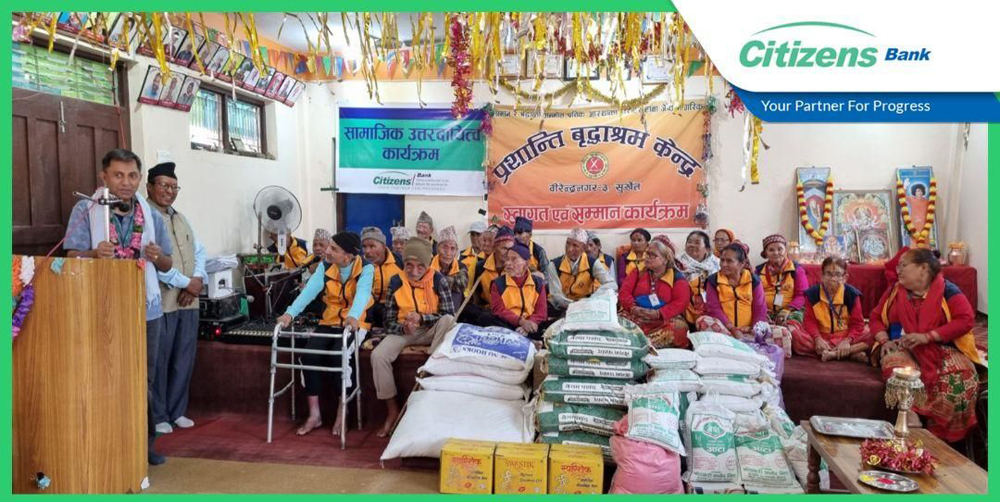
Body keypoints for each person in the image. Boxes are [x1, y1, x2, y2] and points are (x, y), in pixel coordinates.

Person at [63, 148, 175, 465]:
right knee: (103, 377)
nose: (126, 182)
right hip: (101, 309)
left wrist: (157, 257)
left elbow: (168, 264)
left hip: (146, 310)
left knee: (144, 379)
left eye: (132, 176)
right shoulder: (87, 209)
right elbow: (70, 256)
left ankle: (142, 445)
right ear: (104, 176)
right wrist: (93, 254)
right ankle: (105, 445)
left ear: (139, 179)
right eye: (118, 175)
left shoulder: (151, 215)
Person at [869, 248, 984, 443]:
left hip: (943, 347)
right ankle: (910, 416)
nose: (898, 270)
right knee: (897, 367)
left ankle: (941, 437)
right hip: (903, 347)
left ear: (923, 268)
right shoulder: (895, 291)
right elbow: (875, 318)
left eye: (903, 265)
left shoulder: (948, 290)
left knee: (961, 378)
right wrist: (884, 340)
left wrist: (928, 337)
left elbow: (965, 320)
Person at [277, 231, 374, 437]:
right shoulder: (325, 266)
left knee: (340, 357)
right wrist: (290, 314)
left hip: (355, 323)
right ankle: (314, 414)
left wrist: (353, 316)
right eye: (329, 246)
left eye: (334, 249)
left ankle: (343, 410)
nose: (327, 251)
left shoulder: (366, 268)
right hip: (329, 321)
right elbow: (309, 291)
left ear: (348, 255)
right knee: (309, 357)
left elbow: (363, 294)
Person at [373, 238, 457, 437]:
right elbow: (388, 322)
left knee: (447, 321)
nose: (414, 270)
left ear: (427, 266)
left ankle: (431, 367)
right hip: (406, 331)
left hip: (431, 329)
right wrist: (403, 327)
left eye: (420, 266)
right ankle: (392, 411)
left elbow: (449, 314)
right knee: (378, 356)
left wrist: (422, 318)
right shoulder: (396, 281)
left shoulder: (438, 280)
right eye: (409, 265)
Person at [147, 162, 206, 435]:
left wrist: (198, 279)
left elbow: (199, 251)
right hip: (164, 302)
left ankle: (177, 411)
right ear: (149, 187)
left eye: (174, 187)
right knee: (160, 360)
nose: (169, 191)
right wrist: (186, 283)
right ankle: (159, 415)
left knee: (184, 357)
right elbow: (155, 261)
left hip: (189, 300)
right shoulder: (146, 217)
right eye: (163, 185)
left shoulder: (181, 218)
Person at [791, 256, 870, 360]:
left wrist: (847, 340)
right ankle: (849, 352)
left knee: (871, 334)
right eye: (828, 274)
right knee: (796, 335)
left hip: (845, 336)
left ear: (845, 277)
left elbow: (857, 324)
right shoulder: (812, 294)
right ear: (822, 276)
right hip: (821, 337)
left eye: (837, 274)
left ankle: (832, 354)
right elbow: (810, 321)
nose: (833, 279)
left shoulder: (852, 295)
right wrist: (817, 339)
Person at [619, 237, 691, 348]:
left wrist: (659, 313)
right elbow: (624, 291)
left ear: (665, 259)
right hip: (636, 314)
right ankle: (642, 343)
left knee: (678, 330)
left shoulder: (677, 278)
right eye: (647, 253)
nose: (647, 257)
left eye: (653, 255)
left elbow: (681, 302)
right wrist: (632, 307)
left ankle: (642, 344)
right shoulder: (638, 271)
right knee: (617, 322)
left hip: (663, 319)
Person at [696, 242, 769, 337]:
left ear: (742, 263)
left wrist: (754, 329)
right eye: (722, 260)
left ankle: (749, 339)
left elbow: (759, 308)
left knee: (782, 332)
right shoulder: (713, 280)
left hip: (749, 329)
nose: (724, 264)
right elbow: (714, 309)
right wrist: (732, 329)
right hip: (725, 329)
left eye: (729, 261)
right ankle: (736, 340)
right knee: (702, 321)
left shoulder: (754, 281)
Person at [547, 228, 616, 316]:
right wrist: (575, 306)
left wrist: (592, 299)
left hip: (586, 306)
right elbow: (557, 296)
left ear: (584, 248)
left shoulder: (592, 263)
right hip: (562, 307)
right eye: (568, 243)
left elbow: (611, 284)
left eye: (575, 245)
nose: (569, 249)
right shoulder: (554, 265)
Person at [491, 242, 549, 339]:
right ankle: (531, 340)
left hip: (531, 325)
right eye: (507, 259)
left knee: (550, 324)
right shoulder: (498, 284)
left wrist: (529, 323)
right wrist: (521, 322)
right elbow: (499, 310)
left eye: (514, 259)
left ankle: (529, 339)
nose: (508, 263)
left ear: (526, 263)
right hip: (508, 324)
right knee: (487, 318)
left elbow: (541, 312)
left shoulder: (538, 283)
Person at [461, 226, 515, 327]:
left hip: (510, 312)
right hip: (489, 310)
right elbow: (476, 294)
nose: (508, 253)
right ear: (495, 248)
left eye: (511, 249)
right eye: (504, 248)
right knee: (468, 310)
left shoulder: (516, 267)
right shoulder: (481, 266)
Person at [360, 226, 403, 330]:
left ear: (383, 246)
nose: (367, 251)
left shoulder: (399, 262)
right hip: (367, 312)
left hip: (392, 310)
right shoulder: (360, 265)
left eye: (372, 246)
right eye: (364, 246)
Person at [677, 231, 720, 327]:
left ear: (707, 249)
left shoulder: (717, 264)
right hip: (682, 307)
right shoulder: (676, 263)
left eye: (697, 243)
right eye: (689, 242)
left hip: (712, 306)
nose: (692, 245)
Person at [431, 226, 468, 307]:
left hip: (454, 308)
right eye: (445, 247)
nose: (448, 253)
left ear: (456, 251)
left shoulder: (461, 266)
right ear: (438, 248)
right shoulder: (429, 264)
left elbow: (461, 285)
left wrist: (437, 281)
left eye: (452, 248)